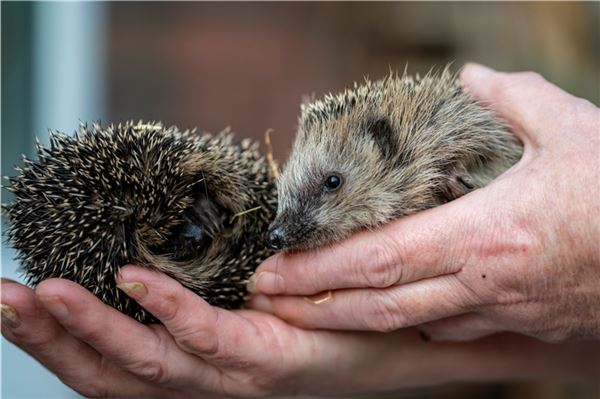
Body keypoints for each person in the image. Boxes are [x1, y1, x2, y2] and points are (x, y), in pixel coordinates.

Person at [1, 64, 598, 398]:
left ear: (384, 150)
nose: (282, 235)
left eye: (331, 185)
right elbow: (553, 300)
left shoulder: (441, 152)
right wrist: (386, 362)